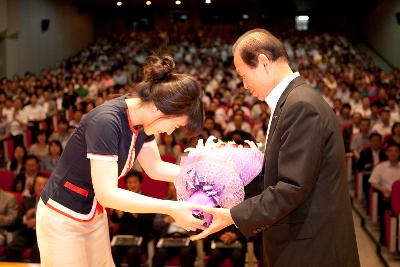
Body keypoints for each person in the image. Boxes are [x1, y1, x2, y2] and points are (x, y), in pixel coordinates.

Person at [191, 29, 360, 267]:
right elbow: (277, 176)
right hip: (299, 241)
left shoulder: (300, 105)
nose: (244, 85)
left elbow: (292, 186)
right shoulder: (290, 102)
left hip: (311, 248)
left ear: (262, 62)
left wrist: (233, 216)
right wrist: (222, 178)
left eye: (243, 75)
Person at [36, 55, 205, 267]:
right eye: (175, 125)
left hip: (92, 212)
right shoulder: (106, 122)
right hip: (62, 215)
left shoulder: (141, 118)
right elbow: (108, 194)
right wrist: (171, 207)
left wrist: (202, 174)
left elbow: (155, 167)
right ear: (157, 108)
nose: (170, 131)